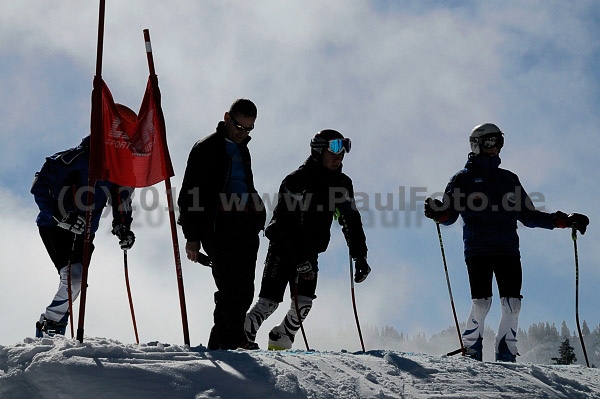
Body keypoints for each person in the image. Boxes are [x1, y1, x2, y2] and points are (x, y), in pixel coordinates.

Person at [424, 123, 589, 362]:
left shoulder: (509, 179)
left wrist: (563, 221)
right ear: (476, 145)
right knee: (482, 303)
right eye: (489, 142)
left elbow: (529, 216)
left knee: (512, 303)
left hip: (508, 249)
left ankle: (506, 351)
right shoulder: (462, 179)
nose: (494, 148)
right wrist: (439, 213)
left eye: (498, 142)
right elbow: (449, 216)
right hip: (478, 249)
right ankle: (472, 347)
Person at [244, 129, 371, 350]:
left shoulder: (342, 184)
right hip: (284, 248)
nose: (338, 157)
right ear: (317, 152)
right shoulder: (297, 180)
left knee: (303, 305)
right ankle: (239, 340)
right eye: (333, 152)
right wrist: (299, 258)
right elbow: (280, 223)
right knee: (268, 303)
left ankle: (280, 340)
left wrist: (360, 256)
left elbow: (350, 220)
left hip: (311, 250)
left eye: (342, 152)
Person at [177, 98, 266, 350]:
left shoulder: (242, 150)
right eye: (239, 126)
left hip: (245, 228)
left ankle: (220, 346)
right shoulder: (206, 147)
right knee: (230, 288)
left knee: (245, 290)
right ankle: (232, 342)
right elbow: (189, 193)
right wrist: (191, 236)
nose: (243, 133)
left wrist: (258, 213)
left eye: (249, 129)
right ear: (227, 118)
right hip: (218, 227)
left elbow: (245, 185)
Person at [32, 127, 135, 337]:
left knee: (77, 279)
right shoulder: (78, 156)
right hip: (55, 226)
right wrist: (59, 216)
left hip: (85, 232)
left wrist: (123, 226)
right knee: (74, 277)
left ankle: (53, 323)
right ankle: (51, 324)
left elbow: (121, 198)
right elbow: (41, 182)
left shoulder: (117, 168)